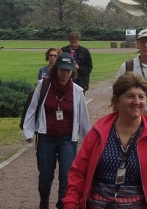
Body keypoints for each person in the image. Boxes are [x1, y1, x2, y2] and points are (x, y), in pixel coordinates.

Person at [63, 72, 147, 209]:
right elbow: (78, 172)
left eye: (141, 97)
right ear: (116, 101)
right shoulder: (98, 132)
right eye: (130, 96)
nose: (137, 102)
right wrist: (70, 204)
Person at [23, 52, 91, 209]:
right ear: (56, 70)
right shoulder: (44, 86)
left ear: (72, 72)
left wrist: (88, 141)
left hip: (68, 139)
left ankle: (62, 205)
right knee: (45, 177)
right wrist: (28, 132)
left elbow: (83, 118)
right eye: (61, 70)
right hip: (46, 138)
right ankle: (44, 201)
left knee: (66, 176)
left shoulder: (77, 92)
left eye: (68, 71)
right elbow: (32, 109)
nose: (64, 74)